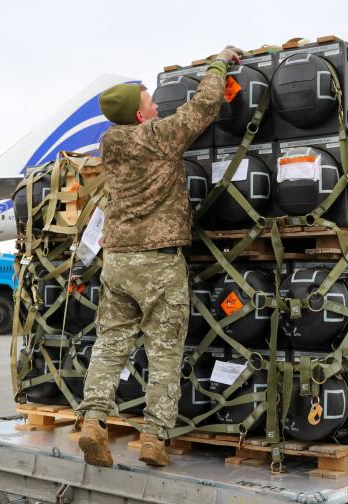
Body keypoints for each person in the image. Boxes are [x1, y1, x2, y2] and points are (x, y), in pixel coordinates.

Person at [75, 45, 241, 468]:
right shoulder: (159, 137)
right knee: (165, 351)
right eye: (150, 101)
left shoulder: (109, 142)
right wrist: (219, 63)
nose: (156, 104)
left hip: (118, 261)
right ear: (140, 115)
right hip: (158, 262)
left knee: (111, 344)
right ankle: (154, 437)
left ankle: (93, 422)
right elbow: (204, 105)